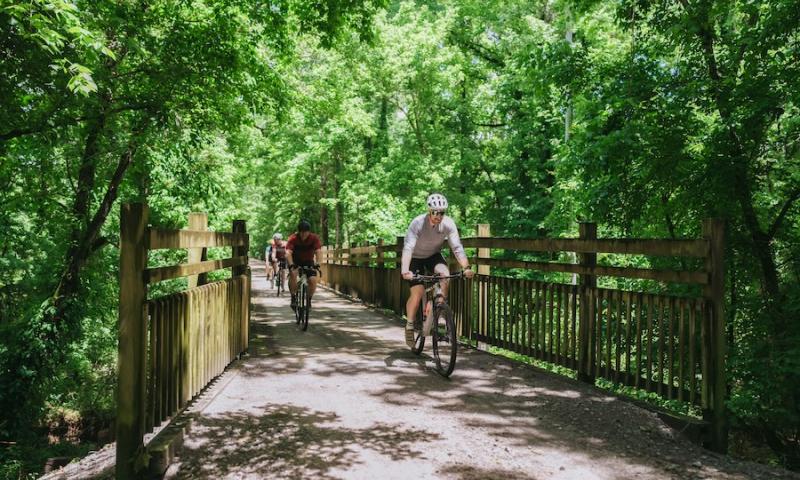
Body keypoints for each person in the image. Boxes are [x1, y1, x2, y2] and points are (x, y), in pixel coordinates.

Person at [400, 193, 474, 347]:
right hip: (415, 258)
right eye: (435, 212)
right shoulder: (418, 223)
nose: (438, 216)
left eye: (442, 213)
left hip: (433, 255)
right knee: (418, 292)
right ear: (429, 211)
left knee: (445, 275)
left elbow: (457, 247)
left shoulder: (448, 224)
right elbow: (408, 248)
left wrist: (466, 267)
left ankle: (439, 310)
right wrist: (405, 270)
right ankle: (410, 325)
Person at [286, 219, 322, 310]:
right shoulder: (293, 238)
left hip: (308, 261)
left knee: (313, 280)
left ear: (309, 232)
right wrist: (291, 265)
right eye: (301, 232)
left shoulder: (314, 238)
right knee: (293, 274)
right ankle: (293, 297)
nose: (303, 235)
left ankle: (309, 299)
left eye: (305, 232)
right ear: (298, 232)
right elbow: (288, 252)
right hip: (295, 261)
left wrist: (317, 264)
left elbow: (318, 251)